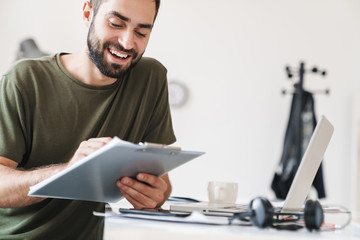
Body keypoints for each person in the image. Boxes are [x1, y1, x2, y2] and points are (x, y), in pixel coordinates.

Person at [0, 0, 175, 239]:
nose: (127, 43)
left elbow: (161, 183)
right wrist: (68, 173)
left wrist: (153, 195)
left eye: (141, 32)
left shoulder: (150, 79)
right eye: (116, 23)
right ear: (87, 13)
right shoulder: (23, 79)